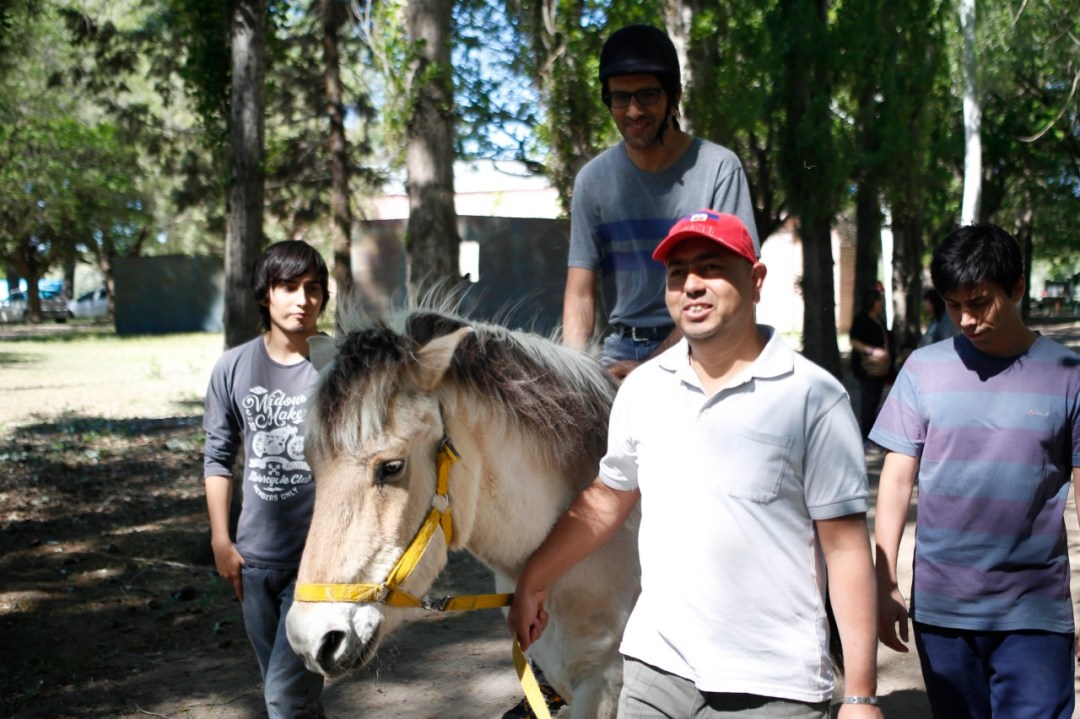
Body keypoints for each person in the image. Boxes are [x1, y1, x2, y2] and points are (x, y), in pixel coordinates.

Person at [510, 210, 882, 718]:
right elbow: (607, 499)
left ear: (755, 280)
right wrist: (534, 579)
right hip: (654, 675)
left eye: (710, 268)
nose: (691, 285)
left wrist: (860, 695)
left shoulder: (813, 397)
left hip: (773, 687)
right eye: (677, 273)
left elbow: (845, 549)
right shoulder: (643, 389)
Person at [872, 223, 1080, 719]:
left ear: (1017, 287)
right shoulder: (922, 369)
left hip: (1035, 610)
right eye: (952, 305)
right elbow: (896, 479)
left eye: (980, 302)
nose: (966, 319)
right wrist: (884, 580)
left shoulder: (1069, 374)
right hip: (943, 610)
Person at [563, 23, 759, 379]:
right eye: (620, 98)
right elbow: (580, 296)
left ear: (674, 96)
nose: (633, 111)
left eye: (647, 95)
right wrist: (573, 379)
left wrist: (650, 369)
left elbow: (737, 288)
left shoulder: (719, 169)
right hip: (619, 352)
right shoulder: (592, 181)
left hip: (705, 344)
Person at [203, 240, 330, 719]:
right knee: (295, 699)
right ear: (265, 294)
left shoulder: (340, 364)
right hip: (253, 561)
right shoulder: (233, 367)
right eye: (289, 287)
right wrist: (221, 540)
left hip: (318, 562)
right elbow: (218, 458)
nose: (303, 300)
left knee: (284, 697)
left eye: (313, 288)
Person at [848, 288, 891, 449]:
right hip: (866, 368)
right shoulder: (861, 320)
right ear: (871, 302)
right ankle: (866, 437)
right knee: (868, 402)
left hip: (880, 369)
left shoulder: (879, 320)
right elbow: (854, 341)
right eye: (878, 300)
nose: (881, 303)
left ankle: (873, 435)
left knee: (875, 402)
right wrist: (872, 351)